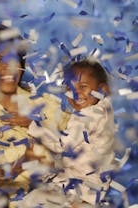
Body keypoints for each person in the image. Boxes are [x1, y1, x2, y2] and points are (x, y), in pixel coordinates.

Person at [0, 23, 69, 208]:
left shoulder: (46, 103)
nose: (9, 67)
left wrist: (36, 126)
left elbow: (83, 145)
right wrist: (18, 165)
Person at [24, 58, 116, 207]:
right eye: (69, 88)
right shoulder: (105, 108)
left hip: (82, 183)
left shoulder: (87, 116)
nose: (75, 93)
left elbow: (61, 145)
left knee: (32, 201)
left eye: (83, 86)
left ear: (102, 89)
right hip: (96, 184)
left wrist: (31, 125)